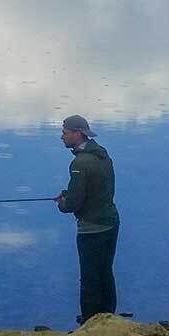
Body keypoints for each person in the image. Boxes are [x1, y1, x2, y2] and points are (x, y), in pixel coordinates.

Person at [52, 114, 118, 324]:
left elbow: (73, 204)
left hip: (92, 229)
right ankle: (108, 318)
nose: (62, 136)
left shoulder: (79, 163)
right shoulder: (102, 155)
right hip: (111, 223)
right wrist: (69, 193)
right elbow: (93, 189)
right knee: (105, 272)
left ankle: (90, 324)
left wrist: (62, 203)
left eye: (65, 132)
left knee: (89, 277)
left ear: (77, 134)